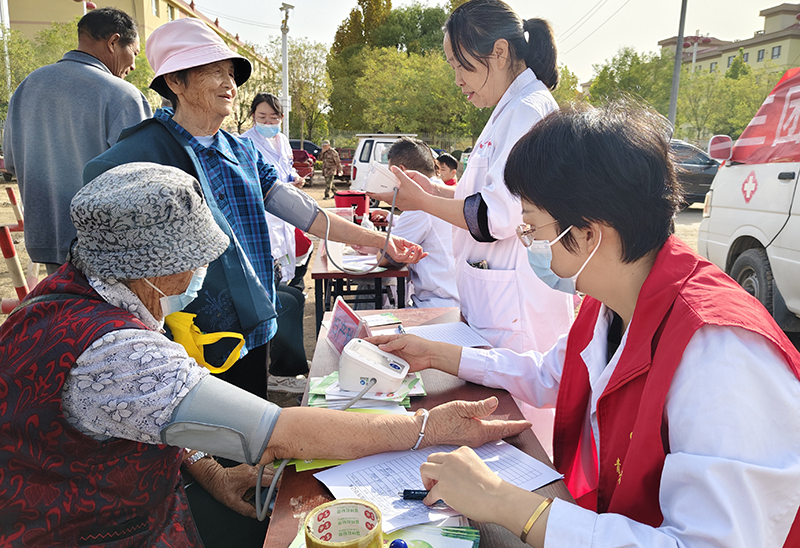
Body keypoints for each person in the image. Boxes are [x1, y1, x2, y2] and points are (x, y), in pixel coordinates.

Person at [0, 162, 530, 548]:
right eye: (195, 260)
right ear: (154, 268)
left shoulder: (70, 297)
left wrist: (207, 469)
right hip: (89, 532)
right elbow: (279, 431)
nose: (197, 275)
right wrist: (427, 429)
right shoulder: (114, 351)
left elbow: (138, 414)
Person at [370, 102, 800, 548]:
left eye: (532, 229)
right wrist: (439, 354)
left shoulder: (720, 352)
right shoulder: (611, 302)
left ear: (590, 234)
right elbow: (549, 374)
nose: (530, 244)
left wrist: (503, 501)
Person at [84, 17, 425, 401]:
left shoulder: (240, 151)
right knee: (198, 438)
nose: (229, 84)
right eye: (214, 71)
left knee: (248, 431)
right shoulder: (140, 155)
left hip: (251, 318)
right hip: (183, 334)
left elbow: (306, 214)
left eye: (230, 72)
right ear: (175, 82)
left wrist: (382, 242)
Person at [369, 0, 572, 356]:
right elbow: (482, 196)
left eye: (461, 65)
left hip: (515, 309)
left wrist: (425, 203)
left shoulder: (526, 110)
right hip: (495, 301)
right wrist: (434, 189)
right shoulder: (509, 109)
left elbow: (493, 216)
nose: (458, 80)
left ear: (499, 51)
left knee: (515, 405)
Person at [3, 7, 152, 273]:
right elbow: (144, 181)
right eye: (135, 53)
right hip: (110, 250)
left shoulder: (26, 87)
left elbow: (12, 163)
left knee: (67, 314)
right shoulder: (122, 96)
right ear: (114, 42)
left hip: (48, 243)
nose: (133, 65)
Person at [240, 93, 310, 393]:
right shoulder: (244, 143)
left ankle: (284, 370)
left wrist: (294, 180)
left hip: (285, 223)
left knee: (291, 296)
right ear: (252, 116)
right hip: (264, 229)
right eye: (262, 117)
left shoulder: (282, 141)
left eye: (273, 118)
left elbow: (286, 170)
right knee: (279, 302)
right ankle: (278, 371)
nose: (268, 123)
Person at [361, 138, 459, 308]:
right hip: (451, 297)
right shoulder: (440, 194)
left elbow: (385, 257)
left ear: (402, 172)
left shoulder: (421, 204)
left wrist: (370, 243)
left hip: (437, 304)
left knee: (367, 291)